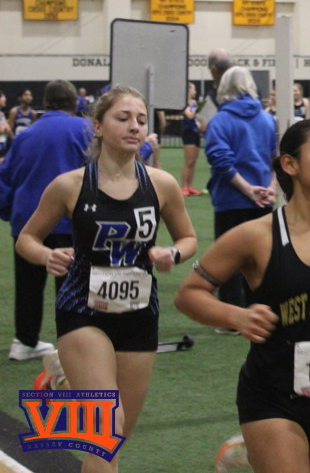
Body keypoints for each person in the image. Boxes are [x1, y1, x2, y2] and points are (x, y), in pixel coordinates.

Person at [174, 118, 310, 473]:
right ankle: (258, 448)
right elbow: (189, 294)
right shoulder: (256, 236)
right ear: (290, 164)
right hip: (272, 397)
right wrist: (238, 316)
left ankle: (250, 455)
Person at [14, 85, 197, 471]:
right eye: (123, 118)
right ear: (97, 126)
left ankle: (62, 382)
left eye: (141, 120)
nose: (135, 126)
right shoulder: (70, 185)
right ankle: (67, 377)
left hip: (140, 315)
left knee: (111, 442)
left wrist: (173, 253)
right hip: (83, 312)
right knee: (105, 432)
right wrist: (48, 255)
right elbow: (26, 239)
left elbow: (188, 238)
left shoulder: (161, 184)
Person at [0, 80, 93, 361]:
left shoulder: (26, 134)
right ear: (74, 103)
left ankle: (25, 341)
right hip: (69, 219)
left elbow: (6, 177)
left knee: (28, 285)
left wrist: (9, 212)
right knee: (72, 285)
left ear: (45, 102)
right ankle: (74, 344)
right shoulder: (84, 129)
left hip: (28, 220)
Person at [204, 66, 278, 315]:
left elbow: (221, 160)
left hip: (231, 199)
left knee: (228, 258)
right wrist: (271, 188)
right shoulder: (268, 119)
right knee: (260, 257)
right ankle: (260, 309)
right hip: (263, 200)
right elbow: (276, 158)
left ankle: (232, 313)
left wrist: (247, 190)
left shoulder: (220, 121)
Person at [181, 82, 205, 196]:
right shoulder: (184, 103)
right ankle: (184, 186)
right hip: (188, 132)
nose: (195, 91)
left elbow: (194, 116)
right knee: (188, 161)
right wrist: (193, 105)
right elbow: (189, 114)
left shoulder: (193, 103)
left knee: (194, 161)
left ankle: (190, 185)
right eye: (193, 89)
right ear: (188, 90)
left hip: (195, 132)